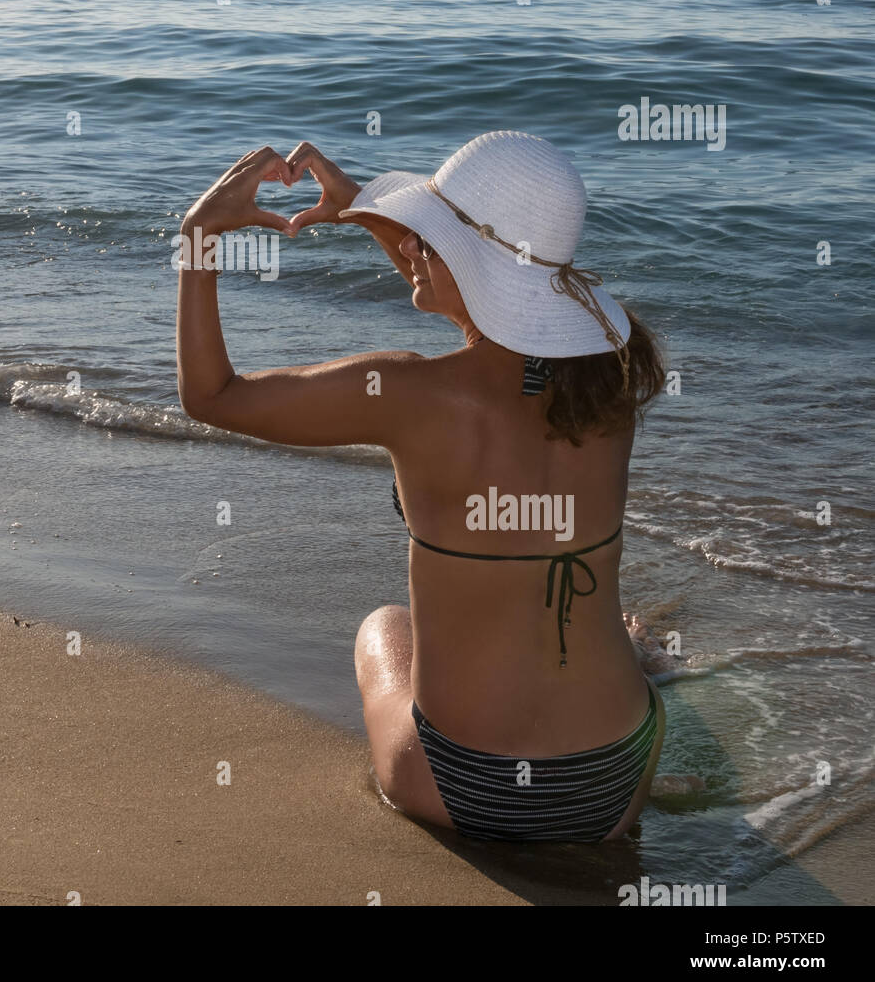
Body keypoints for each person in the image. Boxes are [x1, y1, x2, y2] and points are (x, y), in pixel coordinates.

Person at [175, 132, 667, 842]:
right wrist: (373, 218)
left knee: (385, 626)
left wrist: (198, 238)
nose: (411, 250)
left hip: (461, 788)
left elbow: (212, 395)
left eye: (425, 242)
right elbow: (490, 319)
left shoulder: (406, 393)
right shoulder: (609, 374)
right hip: (616, 788)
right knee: (587, 623)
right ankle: (634, 653)